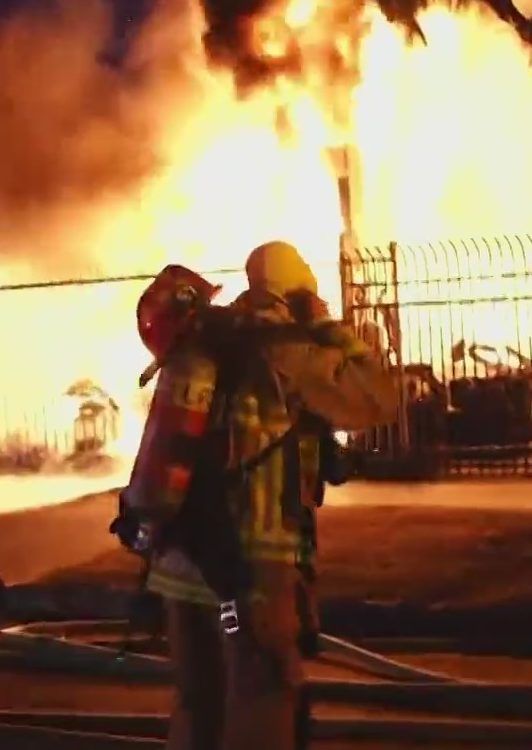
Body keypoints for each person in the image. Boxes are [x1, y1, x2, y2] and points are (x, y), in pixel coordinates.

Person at [115, 242, 398, 750]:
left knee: (199, 699)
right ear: (291, 282)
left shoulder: (204, 338)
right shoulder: (288, 347)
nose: (314, 278)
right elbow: (377, 398)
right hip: (247, 575)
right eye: (306, 272)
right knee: (261, 691)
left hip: (185, 569)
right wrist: (324, 324)